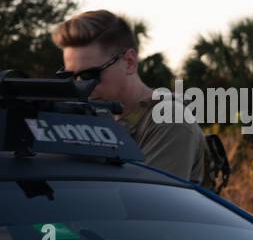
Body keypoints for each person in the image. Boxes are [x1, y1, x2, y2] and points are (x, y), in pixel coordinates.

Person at [52, 10, 208, 185]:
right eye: (70, 76)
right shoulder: (94, 114)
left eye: (90, 75)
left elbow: (149, 205)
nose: (80, 85)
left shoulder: (169, 120)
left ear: (129, 62)